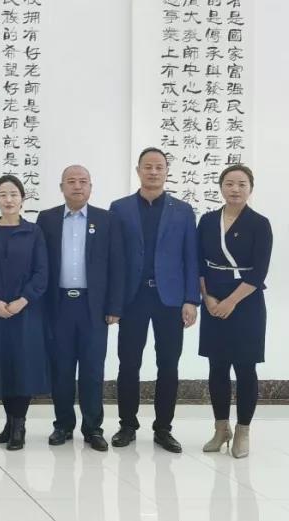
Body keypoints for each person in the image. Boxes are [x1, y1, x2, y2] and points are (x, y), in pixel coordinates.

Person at [110, 147, 199, 453]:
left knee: (168, 365)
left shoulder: (183, 210)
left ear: (166, 172)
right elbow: (115, 259)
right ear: (138, 171)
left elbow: (191, 258)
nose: (153, 172)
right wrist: (113, 302)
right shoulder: (120, 208)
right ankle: (127, 425)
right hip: (133, 298)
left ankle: (163, 428)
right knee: (128, 363)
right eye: (147, 167)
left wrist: (191, 299)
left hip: (170, 299)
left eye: (159, 167)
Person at [36, 165, 124, 452]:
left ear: (90, 187)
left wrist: (114, 305)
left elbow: (117, 265)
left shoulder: (106, 220)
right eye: (71, 181)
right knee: (60, 368)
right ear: (61, 187)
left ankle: (93, 428)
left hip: (93, 307)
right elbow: (40, 264)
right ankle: (62, 425)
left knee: (92, 369)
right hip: (59, 304)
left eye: (83, 181)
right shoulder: (47, 219)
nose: (77, 186)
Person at [0, 175, 49, 451]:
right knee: (2, 367)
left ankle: (19, 426)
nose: (9, 199)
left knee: (22, 367)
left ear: (22, 198)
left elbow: (42, 272)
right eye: (3, 194)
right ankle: (8, 423)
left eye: (14, 194)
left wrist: (23, 300)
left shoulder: (34, 232)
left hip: (25, 311)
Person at [198, 164, 272, 459]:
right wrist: (207, 298)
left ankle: (242, 431)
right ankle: (221, 428)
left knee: (245, 368)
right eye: (229, 183)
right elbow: (198, 263)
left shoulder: (259, 223)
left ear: (250, 188)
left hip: (246, 302)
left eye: (242, 184)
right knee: (217, 367)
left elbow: (259, 272)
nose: (235, 189)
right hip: (212, 299)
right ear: (221, 187)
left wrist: (231, 302)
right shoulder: (207, 221)